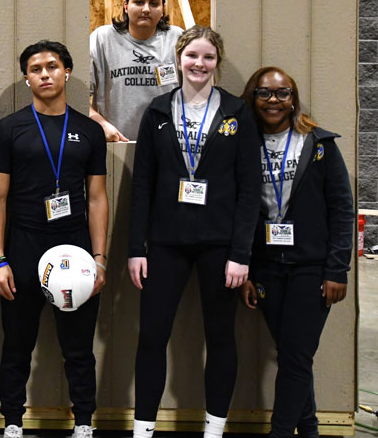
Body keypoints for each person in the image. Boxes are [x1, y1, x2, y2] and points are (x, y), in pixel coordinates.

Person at [127, 25, 261, 438]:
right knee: (152, 335)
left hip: (220, 247)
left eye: (207, 57)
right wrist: (136, 247)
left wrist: (241, 254)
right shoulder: (158, 111)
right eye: (191, 56)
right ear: (178, 59)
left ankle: (215, 427)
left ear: (217, 62)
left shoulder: (237, 113)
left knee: (220, 336)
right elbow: (142, 184)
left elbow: (250, 189)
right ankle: (144, 427)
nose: (198, 64)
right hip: (165, 244)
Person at [0, 40, 108, 438]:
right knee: (17, 344)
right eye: (35, 68)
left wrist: (100, 259)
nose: (44, 73)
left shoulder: (88, 130)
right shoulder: (10, 129)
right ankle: (13, 424)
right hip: (23, 244)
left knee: (78, 348)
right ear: (27, 77)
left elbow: (97, 198)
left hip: (74, 248)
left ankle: (85, 423)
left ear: (67, 71)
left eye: (52, 66)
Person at [239, 67, 354, 438]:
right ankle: (309, 429)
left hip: (311, 267)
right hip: (268, 268)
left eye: (282, 93)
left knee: (295, 356)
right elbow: (239, 211)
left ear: (293, 98)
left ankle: (281, 431)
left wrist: (338, 270)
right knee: (292, 355)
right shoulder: (243, 144)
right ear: (252, 98)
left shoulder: (318, 144)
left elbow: (342, 209)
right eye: (264, 93)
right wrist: (250, 272)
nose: (274, 101)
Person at [90, 0, 183, 142]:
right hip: (115, 146)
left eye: (154, 3)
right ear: (125, 5)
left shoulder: (177, 39)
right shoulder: (102, 39)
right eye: (139, 2)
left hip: (166, 146)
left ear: (163, 8)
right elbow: (79, 97)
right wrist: (101, 124)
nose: (146, 9)